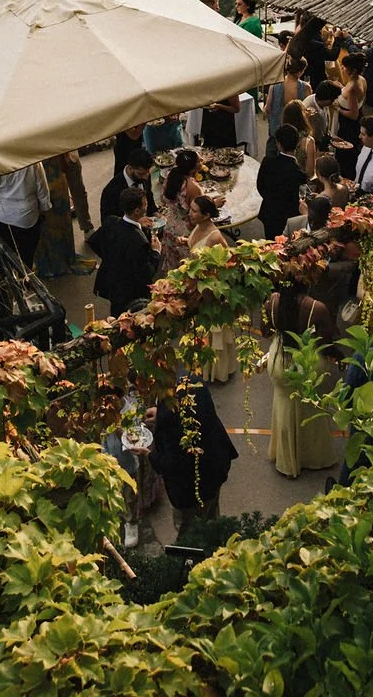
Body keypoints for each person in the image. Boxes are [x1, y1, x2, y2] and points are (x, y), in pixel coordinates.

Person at [147, 378, 238, 537]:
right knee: (211, 517)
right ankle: (214, 547)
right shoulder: (191, 381)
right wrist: (160, 413)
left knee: (188, 530)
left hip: (188, 488)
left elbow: (167, 463)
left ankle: (194, 556)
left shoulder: (170, 419)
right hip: (214, 469)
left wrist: (148, 453)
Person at [265, 280, 337, 479]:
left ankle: (286, 456)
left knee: (284, 403)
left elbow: (265, 331)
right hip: (308, 364)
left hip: (280, 362)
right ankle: (313, 456)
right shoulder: (317, 308)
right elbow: (327, 342)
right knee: (311, 406)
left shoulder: (271, 301)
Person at [186, 196, 238, 382]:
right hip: (196, 289)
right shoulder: (197, 227)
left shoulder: (215, 236)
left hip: (209, 293)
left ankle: (217, 372)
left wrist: (211, 280)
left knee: (213, 332)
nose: (190, 213)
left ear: (206, 215)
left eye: (194, 211)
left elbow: (228, 262)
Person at [88, 187, 161, 316]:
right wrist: (156, 252)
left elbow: (94, 241)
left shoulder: (111, 221)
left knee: (115, 312)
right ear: (137, 210)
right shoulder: (139, 242)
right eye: (145, 204)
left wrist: (109, 258)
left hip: (111, 282)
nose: (147, 206)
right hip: (129, 292)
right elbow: (146, 274)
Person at [0, 161, 51, 268]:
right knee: (27, 257)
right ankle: (26, 281)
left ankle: (4, 281)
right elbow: (43, 193)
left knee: (3, 256)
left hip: (4, 217)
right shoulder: (34, 163)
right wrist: (45, 209)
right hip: (28, 218)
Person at [34, 153, 94, 277]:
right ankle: (52, 257)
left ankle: (65, 253)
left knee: (67, 201)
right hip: (45, 163)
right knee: (51, 207)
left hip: (63, 158)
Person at [256, 123, 306, 239]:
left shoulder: (268, 162)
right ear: (297, 143)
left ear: (278, 144)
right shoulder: (299, 173)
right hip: (288, 217)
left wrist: (270, 199)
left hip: (269, 212)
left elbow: (260, 186)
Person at [157, 148, 203, 274]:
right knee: (189, 269)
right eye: (199, 161)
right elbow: (197, 213)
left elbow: (163, 198)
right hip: (186, 231)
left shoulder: (171, 175)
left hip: (171, 224)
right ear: (193, 169)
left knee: (174, 267)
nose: (202, 162)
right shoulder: (193, 188)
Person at [335, 51, 367, 179]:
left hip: (348, 124)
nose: (342, 69)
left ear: (352, 70)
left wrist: (337, 108)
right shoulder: (361, 80)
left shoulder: (353, 87)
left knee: (345, 155)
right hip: (356, 119)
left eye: (344, 67)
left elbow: (353, 114)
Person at [100, 145, 157, 219]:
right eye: (141, 173)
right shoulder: (111, 189)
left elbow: (149, 196)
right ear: (131, 168)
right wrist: (134, 222)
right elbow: (108, 221)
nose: (146, 177)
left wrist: (155, 213)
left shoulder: (144, 176)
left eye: (147, 173)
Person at [264, 53, 312, 137]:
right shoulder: (306, 87)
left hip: (277, 129)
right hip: (297, 131)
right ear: (300, 71)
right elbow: (307, 110)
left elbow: (268, 108)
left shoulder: (275, 84)